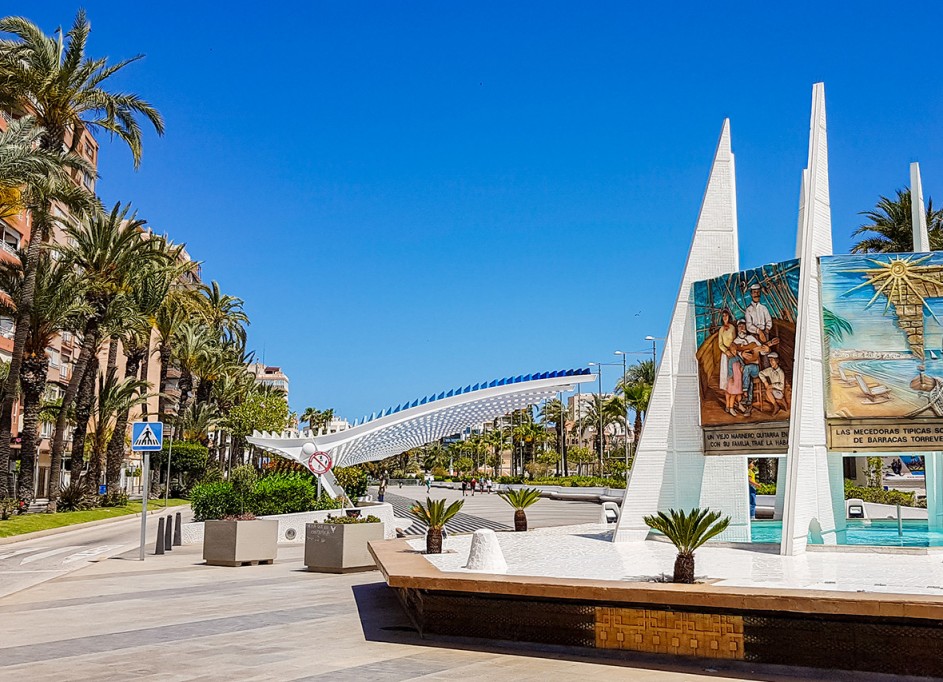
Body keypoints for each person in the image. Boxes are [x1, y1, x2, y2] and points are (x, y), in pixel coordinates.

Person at [733, 320, 767, 414]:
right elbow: (734, 353)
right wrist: (741, 353)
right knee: (748, 378)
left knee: (747, 370)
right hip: (744, 369)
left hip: (755, 368)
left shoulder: (752, 338)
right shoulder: (736, 342)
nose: (742, 328)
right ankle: (748, 403)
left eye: (743, 326)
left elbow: (762, 350)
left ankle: (744, 394)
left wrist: (766, 349)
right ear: (737, 328)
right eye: (740, 326)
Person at [717, 308, 738, 415]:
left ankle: (733, 404)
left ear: (729, 317)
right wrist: (726, 351)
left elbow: (734, 340)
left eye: (726, 315)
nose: (725, 317)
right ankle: (727, 404)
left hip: (733, 353)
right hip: (725, 355)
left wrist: (733, 351)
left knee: (733, 378)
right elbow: (720, 344)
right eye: (723, 316)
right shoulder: (721, 330)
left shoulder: (733, 328)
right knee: (726, 378)